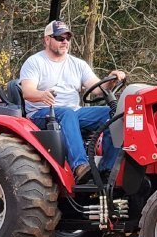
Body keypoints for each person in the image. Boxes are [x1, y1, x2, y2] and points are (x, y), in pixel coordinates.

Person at [20, 20, 126, 183]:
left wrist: (112, 79)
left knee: (114, 114)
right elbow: (27, 92)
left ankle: (107, 170)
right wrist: (41, 95)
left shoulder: (77, 64)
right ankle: (80, 166)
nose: (65, 41)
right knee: (68, 114)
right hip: (41, 113)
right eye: (59, 37)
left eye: (67, 38)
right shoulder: (35, 62)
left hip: (73, 112)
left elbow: (97, 88)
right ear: (47, 39)